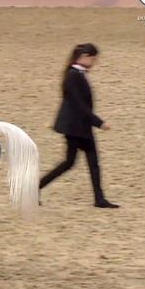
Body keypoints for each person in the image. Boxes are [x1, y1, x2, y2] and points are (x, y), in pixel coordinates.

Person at [39, 43, 119, 209]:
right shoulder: (73, 76)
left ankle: (99, 198)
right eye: (93, 59)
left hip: (79, 126)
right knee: (80, 162)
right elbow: (79, 105)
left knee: (75, 162)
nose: (95, 62)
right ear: (84, 57)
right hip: (76, 127)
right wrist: (99, 122)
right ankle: (99, 198)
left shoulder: (75, 74)